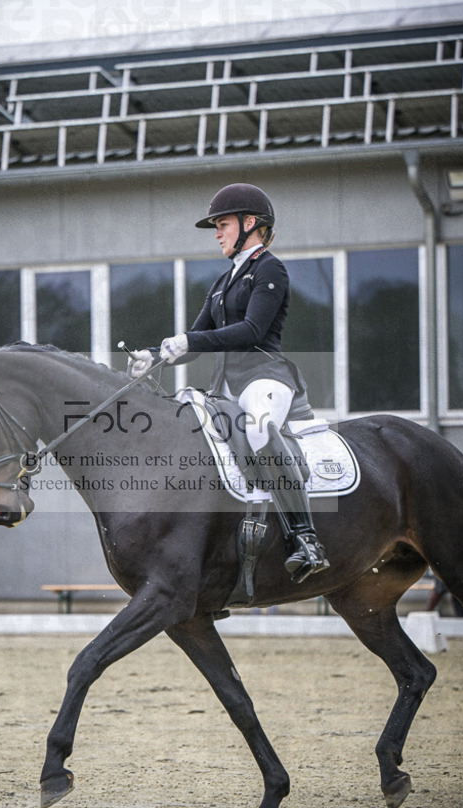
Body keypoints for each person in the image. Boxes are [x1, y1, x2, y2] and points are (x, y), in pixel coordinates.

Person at [129, 182, 329, 583]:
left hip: (265, 377)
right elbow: (196, 341)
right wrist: (154, 354)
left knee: (258, 429)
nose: (217, 233)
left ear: (249, 223)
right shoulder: (222, 283)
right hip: (227, 385)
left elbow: (252, 330)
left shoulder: (269, 268)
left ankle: (305, 538)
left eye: (222, 224)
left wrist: (187, 341)